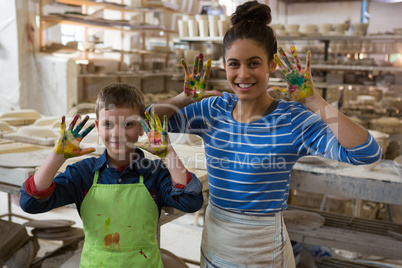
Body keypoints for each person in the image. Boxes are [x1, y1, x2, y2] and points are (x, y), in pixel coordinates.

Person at [148, 1, 381, 267]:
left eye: (254, 63)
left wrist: (314, 101)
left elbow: (366, 153)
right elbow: (149, 120)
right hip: (216, 240)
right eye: (234, 64)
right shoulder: (213, 110)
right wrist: (184, 97)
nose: (243, 74)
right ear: (224, 65)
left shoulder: (292, 119)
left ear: (272, 65)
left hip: (263, 249)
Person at [19, 82, 204, 267]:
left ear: (142, 128)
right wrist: (56, 157)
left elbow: (190, 202)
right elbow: (31, 203)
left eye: (129, 124)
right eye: (108, 124)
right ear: (98, 127)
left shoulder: (154, 172)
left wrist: (168, 153)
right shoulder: (83, 173)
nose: (117, 133)